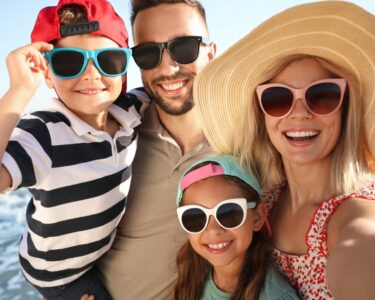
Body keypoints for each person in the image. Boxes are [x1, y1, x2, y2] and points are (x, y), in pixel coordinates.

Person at [193, 1, 375, 299]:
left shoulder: (356, 218)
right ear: (262, 114)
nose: (299, 113)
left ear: (346, 108)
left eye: (323, 95)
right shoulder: (261, 201)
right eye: (278, 98)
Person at [0, 0, 149, 299]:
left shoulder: (131, 110)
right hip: (59, 274)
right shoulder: (42, 134)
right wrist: (18, 92)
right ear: (47, 74)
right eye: (69, 61)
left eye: (108, 60)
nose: (91, 73)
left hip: (96, 252)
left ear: (123, 71)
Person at [97, 0, 216, 299]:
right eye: (148, 53)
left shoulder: (250, 137)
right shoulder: (113, 137)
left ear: (211, 53)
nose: (168, 68)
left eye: (184, 47)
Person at [174, 155, 300, 300]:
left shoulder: (276, 296)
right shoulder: (192, 276)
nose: (214, 229)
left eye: (229, 213)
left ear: (257, 217)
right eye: (196, 216)